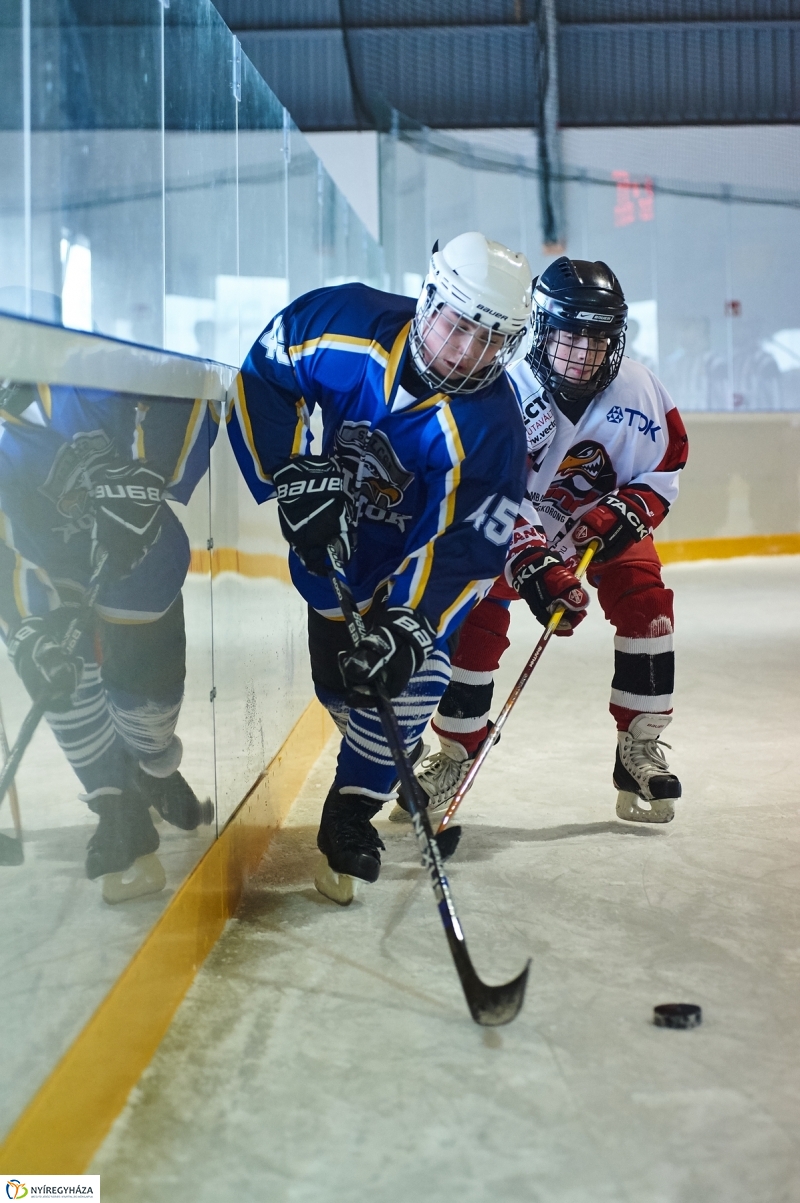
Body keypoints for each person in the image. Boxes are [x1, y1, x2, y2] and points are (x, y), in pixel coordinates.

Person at [228, 232, 532, 899]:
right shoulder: (341, 323)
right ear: (429, 299)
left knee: (404, 682)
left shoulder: (495, 432)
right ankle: (385, 753)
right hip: (333, 557)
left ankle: (349, 815)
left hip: (412, 572)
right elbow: (263, 375)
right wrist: (289, 475)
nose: (465, 350)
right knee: (341, 690)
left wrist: (408, 627)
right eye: (458, 325)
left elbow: (468, 549)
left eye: (488, 338)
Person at [394, 257, 689, 826]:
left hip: (596, 520)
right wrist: (533, 561)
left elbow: (666, 465)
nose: (583, 351)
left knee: (647, 604)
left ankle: (640, 747)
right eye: (570, 334)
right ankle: (457, 749)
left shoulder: (642, 390)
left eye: (598, 337)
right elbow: (486, 487)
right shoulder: (501, 386)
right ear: (542, 329)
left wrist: (624, 511)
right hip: (511, 524)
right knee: (478, 610)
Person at [0, 381, 216, 901]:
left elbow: (186, 389)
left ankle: (153, 764)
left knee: (145, 691)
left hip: (137, 551)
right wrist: (32, 628)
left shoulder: (83, 361)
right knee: (54, 669)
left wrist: (149, 477)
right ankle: (116, 809)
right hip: (48, 567)